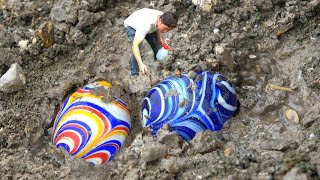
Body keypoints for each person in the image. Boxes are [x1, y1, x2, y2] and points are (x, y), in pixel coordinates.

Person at [124, 8, 178, 76]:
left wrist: (160, 38)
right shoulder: (145, 25)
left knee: (158, 45)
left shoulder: (163, 17)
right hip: (132, 26)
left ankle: (159, 66)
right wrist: (141, 63)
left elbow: (157, 26)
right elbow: (135, 45)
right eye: (164, 28)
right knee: (138, 49)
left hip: (149, 26)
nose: (165, 31)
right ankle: (135, 73)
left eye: (168, 30)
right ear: (159, 20)